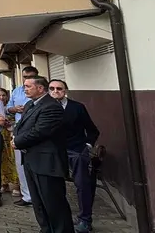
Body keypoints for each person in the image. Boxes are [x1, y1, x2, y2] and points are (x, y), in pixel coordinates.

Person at [13, 76, 74, 233]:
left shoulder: (51, 107)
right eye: (24, 86)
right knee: (38, 203)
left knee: (53, 203)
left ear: (40, 88)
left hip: (47, 163)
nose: (24, 89)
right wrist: (16, 136)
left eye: (28, 86)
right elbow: (20, 125)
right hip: (31, 160)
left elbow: (40, 131)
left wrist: (18, 141)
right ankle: (46, 229)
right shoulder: (29, 104)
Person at [48, 79, 100, 233]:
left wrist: (87, 145)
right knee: (53, 186)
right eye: (52, 88)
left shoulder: (77, 107)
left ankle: (85, 219)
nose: (55, 91)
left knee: (82, 185)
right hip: (54, 152)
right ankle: (59, 220)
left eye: (59, 88)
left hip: (76, 151)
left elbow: (92, 130)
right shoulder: (45, 108)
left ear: (66, 90)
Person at [7, 65, 39, 206]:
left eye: (31, 76)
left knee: (37, 164)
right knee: (21, 165)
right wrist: (14, 109)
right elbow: (8, 107)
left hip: (36, 132)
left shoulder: (41, 90)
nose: (27, 79)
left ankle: (39, 196)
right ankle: (27, 196)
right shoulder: (17, 91)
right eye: (25, 77)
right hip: (20, 131)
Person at [0, 88, 18, 196]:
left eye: (3, 95)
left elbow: (17, 120)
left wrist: (10, 124)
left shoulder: (11, 108)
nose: (1, 97)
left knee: (13, 160)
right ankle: (4, 184)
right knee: (0, 161)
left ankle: (16, 185)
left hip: (10, 136)